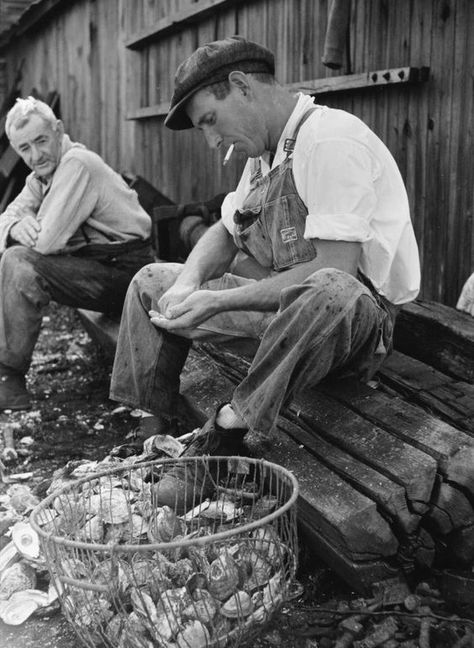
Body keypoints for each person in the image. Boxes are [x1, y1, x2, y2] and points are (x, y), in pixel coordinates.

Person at [110, 36, 421, 511]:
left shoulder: (331, 138)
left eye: (210, 121)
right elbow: (225, 230)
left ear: (241, 86)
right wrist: (190, 284)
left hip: (352, 328)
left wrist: (218, 301)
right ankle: (154, 434)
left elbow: (336, 272)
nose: (212, 141)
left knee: (333, 289)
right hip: (287, 317)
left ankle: (225, 436)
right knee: (153, 281)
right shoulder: (265, 154)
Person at [0, 96, 153, 411]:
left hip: (130, 277)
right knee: (15, 254)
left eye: (41, 141)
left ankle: (8, 377)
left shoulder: (76, 163)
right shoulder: (41, 177)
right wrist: (15, 225)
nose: (35, 155)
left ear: (58, 130)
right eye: (24, 149)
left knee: (19, 262)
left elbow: (45, 243)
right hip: (98, 268)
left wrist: (23, 228)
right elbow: (5, 218)